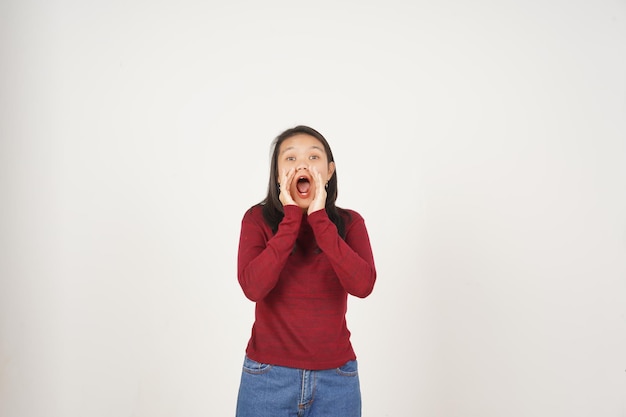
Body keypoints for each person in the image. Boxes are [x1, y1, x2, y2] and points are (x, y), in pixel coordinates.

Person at [235, 125, 376, 417]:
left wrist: (319, 219)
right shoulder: (256, 219)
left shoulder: (350, 223)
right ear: (277, 175)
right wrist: (290, 220)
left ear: (329, 170)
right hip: (267, 377)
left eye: (313, 157)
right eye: (290, 158)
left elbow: (362, 285)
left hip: (337, 380)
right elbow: (253, 287)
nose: (302, 164)